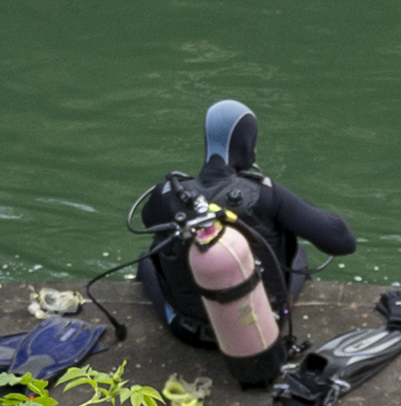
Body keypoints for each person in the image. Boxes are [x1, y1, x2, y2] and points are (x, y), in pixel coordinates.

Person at [130, 101, 356, 387]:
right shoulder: (264, 193)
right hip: (261, 330)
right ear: (247, 146)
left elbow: (150, 224)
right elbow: (342, 241)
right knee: (298, 254)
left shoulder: (168, 193)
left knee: (147, 257)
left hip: (188, 331)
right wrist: (286, 206)